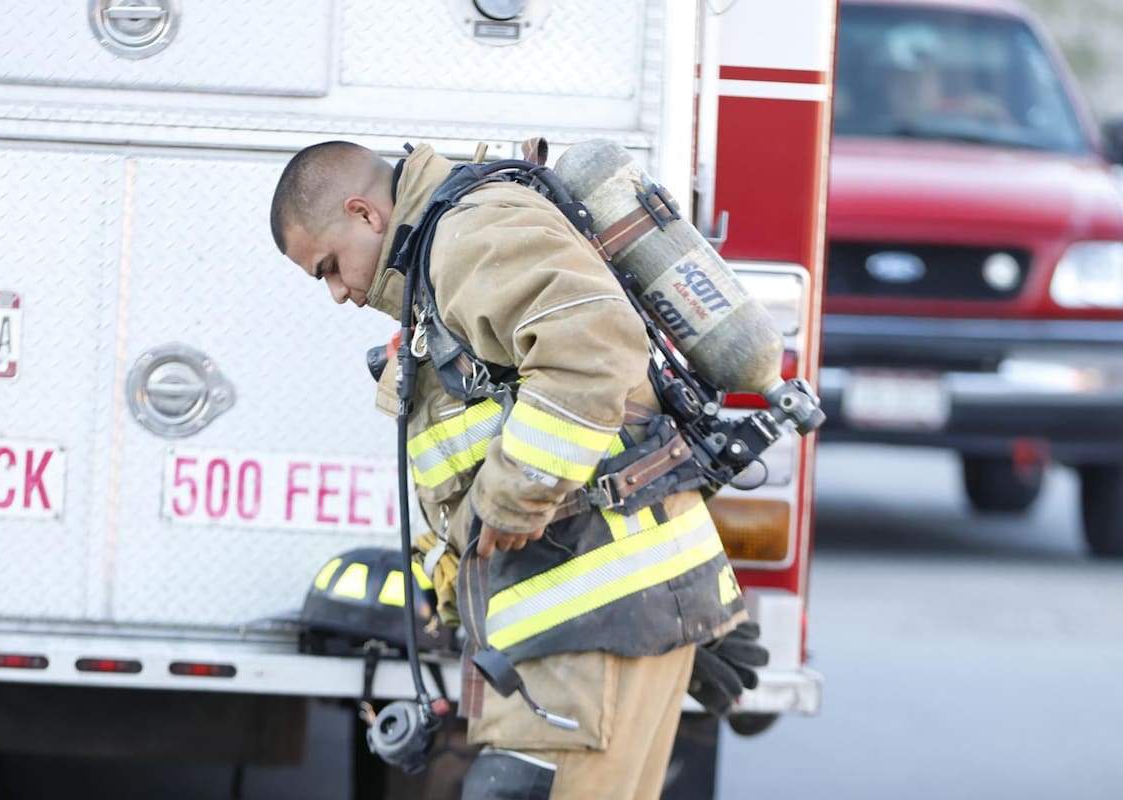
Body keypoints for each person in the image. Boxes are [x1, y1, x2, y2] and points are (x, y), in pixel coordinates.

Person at [270, 140, 762, 799]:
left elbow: (593, 349)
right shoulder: (439, 268)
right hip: (591, 632)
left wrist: (509, 500)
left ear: (365, 214)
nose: (335, 292)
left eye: (327, 266)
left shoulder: (469, 237)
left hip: (587, 640)